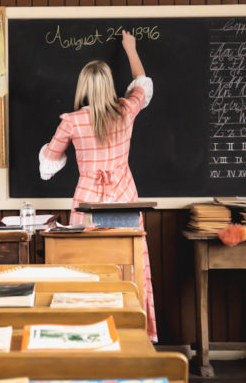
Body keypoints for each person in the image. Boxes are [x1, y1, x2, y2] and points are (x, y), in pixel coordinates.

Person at [37, 30, 157, 342]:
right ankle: (132, 335)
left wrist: (59, 153)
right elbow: (142, 83)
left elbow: (48, 165)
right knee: (129, 267)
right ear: (108, 85)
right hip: (125, 201)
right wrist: (130, 49)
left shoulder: (72, 121)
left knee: (87, 269)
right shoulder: (126, 110)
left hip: (87, 203)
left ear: (84, 87)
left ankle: (88, 337)